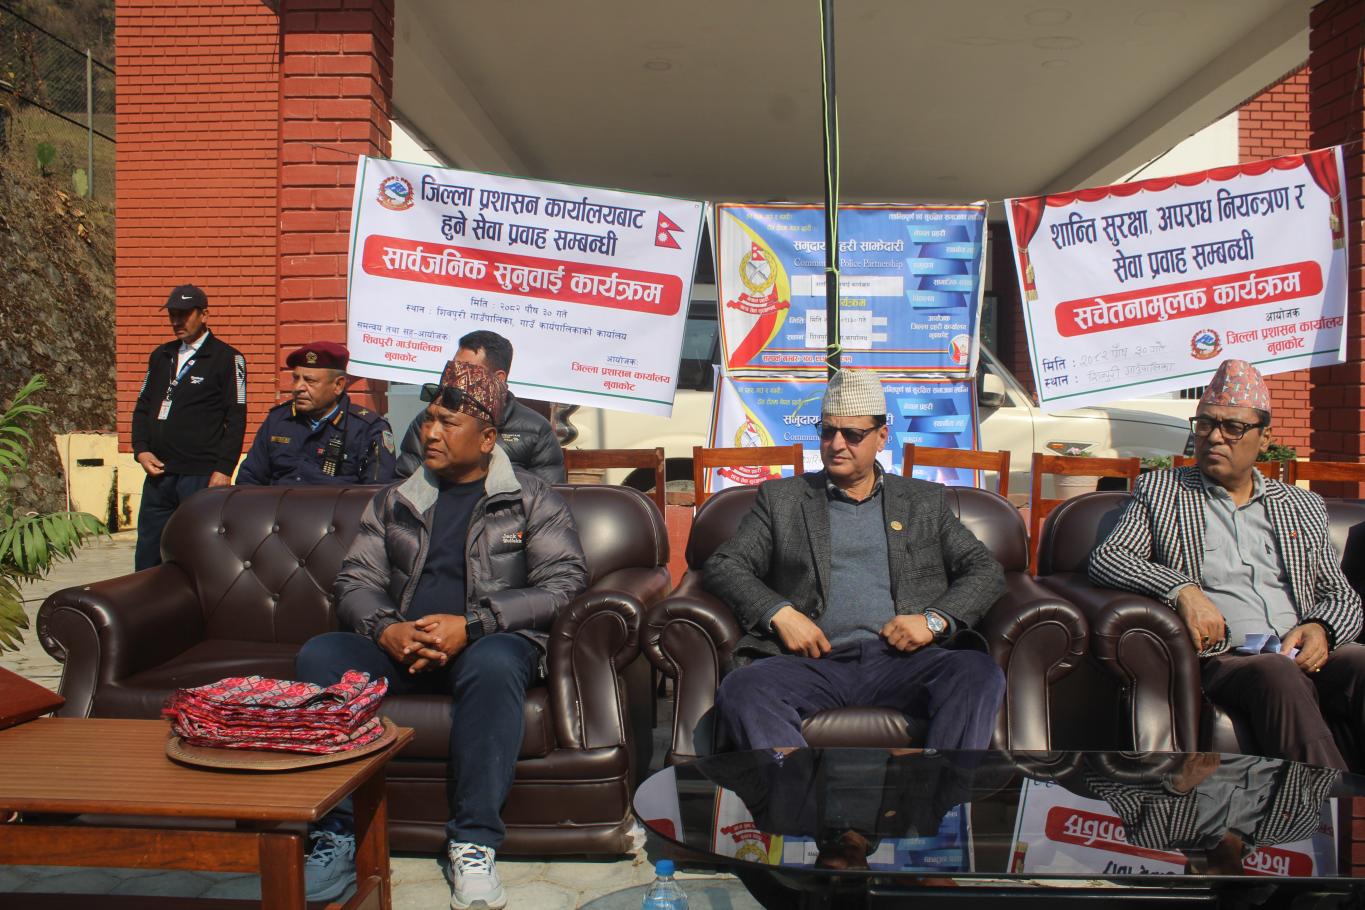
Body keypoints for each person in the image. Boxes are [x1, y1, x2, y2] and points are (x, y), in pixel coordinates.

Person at [294, 359, 587, 909]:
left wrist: (473, 625)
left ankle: (474, 843)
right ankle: (335, 832)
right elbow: (355, 580)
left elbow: (563, 585)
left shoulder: (530, 499)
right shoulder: (397, 499)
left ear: (487, 438)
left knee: (495, 662)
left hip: (488, 643)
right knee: (320, 655)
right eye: (429, 419)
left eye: (449, 424)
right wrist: (387, 630)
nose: (430, 432)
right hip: (404, 647)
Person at [703, 368, 1007, 753]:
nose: (836, 444)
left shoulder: (923, 502)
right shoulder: (782, 500)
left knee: (978, 673)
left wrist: (933, 621)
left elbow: (986, 570)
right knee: (743, 689)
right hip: (814, 662)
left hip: (905, 661)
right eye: (827, 431)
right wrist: (779, 613)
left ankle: (933, 786)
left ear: (882, 437)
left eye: (852, 434)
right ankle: (796, 788)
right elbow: (725, 565)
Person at [1090, 358, 1365, 770]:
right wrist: (1182, 590)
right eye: (1205, 424)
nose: (1215, 437)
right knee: (1277, 674)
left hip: (1302, 651)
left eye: (1233, 427)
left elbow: (1341, 595)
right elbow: (1110, 558)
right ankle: (1325, 795)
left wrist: (1321, 628)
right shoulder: (1163, 492)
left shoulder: (1301, 505)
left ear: (1265, 438)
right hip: (1230, 658)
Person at [130, 284, 246, 570]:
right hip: (159, 473)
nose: (176, 321)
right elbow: (143, 404)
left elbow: (236, 416)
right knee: (148, 551)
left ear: (204, 314)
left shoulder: (228, 358)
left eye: (183, 314)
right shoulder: (161, 355)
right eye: (172, 314)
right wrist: (141, 449)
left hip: (200, 475)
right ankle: (147, 597)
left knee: (197, 551)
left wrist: (224, 468)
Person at [395, 330, 564, 484]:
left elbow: (547, 496)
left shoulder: (536, 431)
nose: (455, 377)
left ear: (498, 379)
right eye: (453, 368)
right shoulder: (429, 421)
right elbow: (401, 486)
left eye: (466, 371)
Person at [235, 341, 395, 486]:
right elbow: (248, 481)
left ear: (338, 385)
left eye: (310, 381)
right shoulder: (278, 420)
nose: (298, 388)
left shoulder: (367, 429)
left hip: (337, 509)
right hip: (278, 508)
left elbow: (377, 494)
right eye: (296, 378)